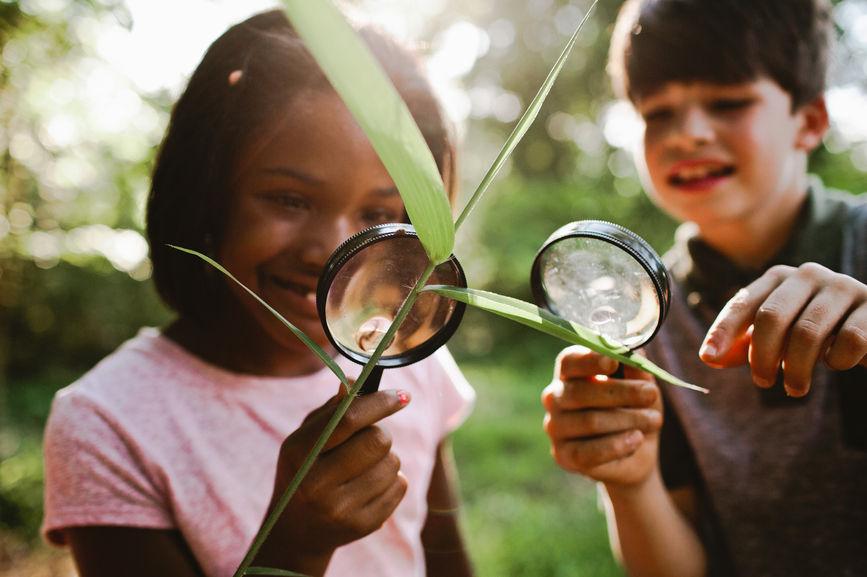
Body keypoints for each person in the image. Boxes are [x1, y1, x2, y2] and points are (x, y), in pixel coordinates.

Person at [41, 9, 475, 577]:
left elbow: (444, 556)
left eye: (377, 213)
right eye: (290, 199)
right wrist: (292, 547)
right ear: (208, 192)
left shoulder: (410, 367)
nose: (331, 252)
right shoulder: (108, 424)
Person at [541, 1, 867, 576]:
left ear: (810, 121)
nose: (688, 134)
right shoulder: (644, 316)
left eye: (728, 103)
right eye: (658, 113)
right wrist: (631, 481)